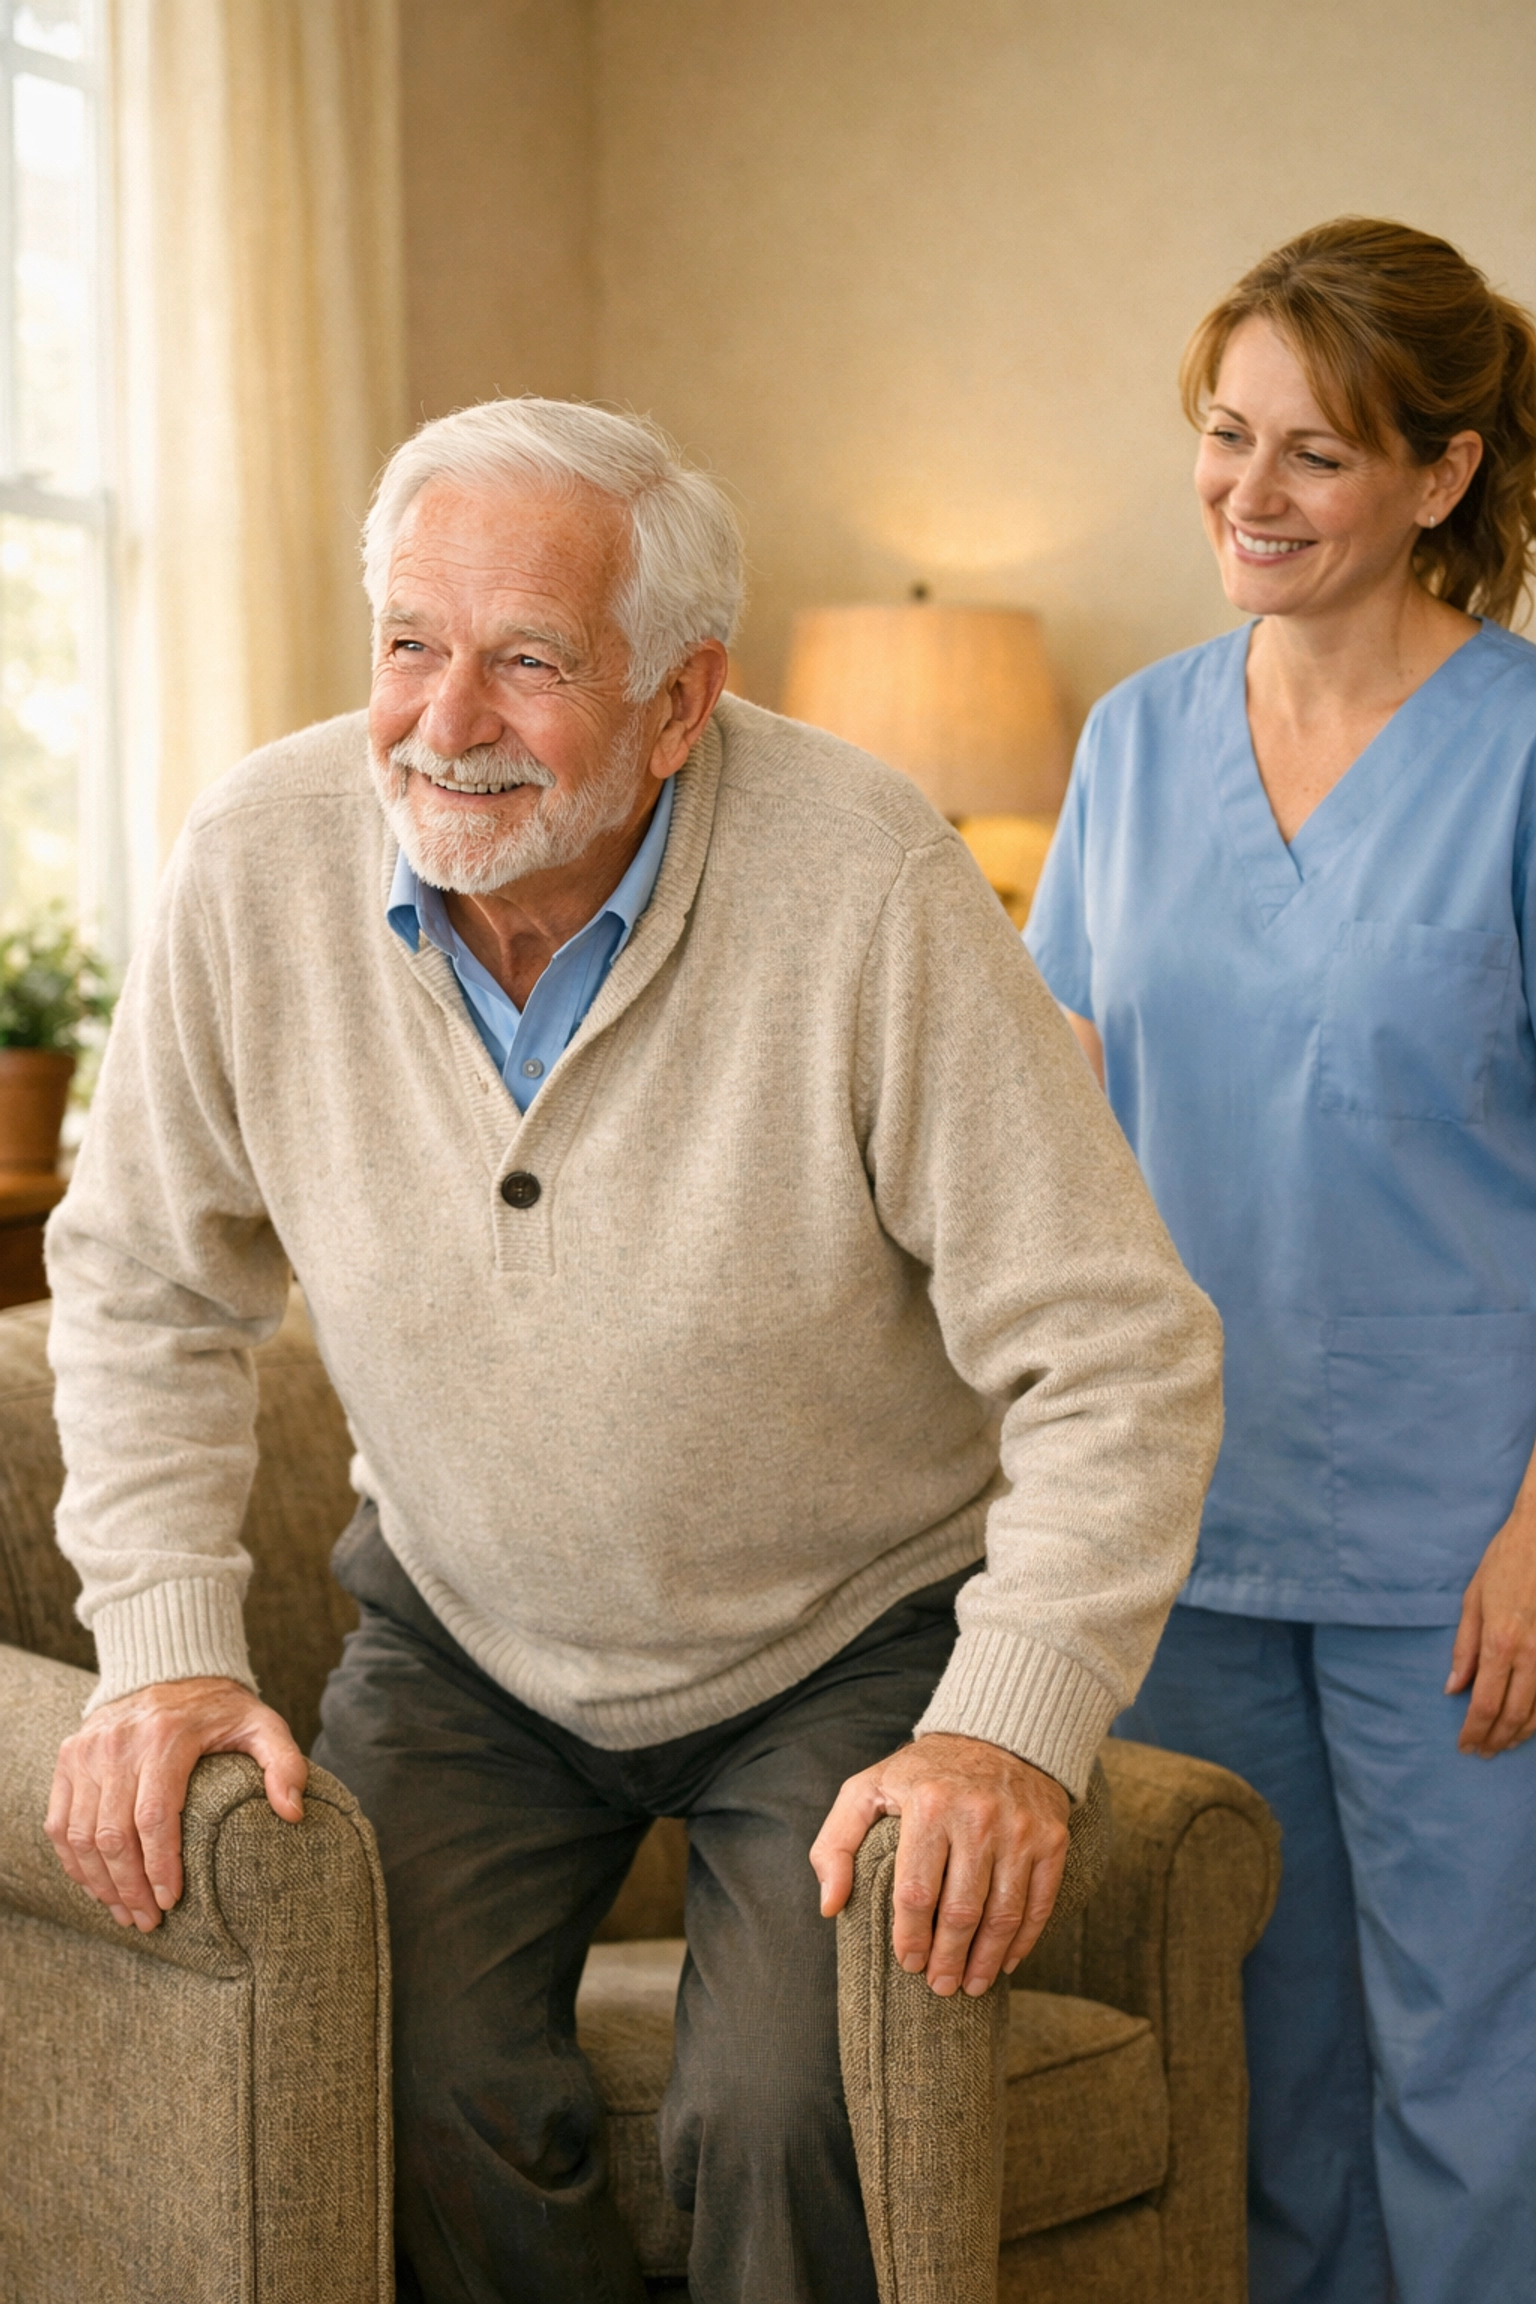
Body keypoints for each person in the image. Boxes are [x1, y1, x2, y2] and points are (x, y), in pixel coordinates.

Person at [40, 398, 1221, 2304]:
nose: (447, 718)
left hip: (845, 1634)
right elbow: (138, 1284)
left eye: (529, 661)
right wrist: (163, 1658)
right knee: (389, 2074)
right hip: (465, 1630)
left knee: (785, 2104)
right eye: (412, 644)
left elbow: (1118, 1350)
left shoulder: (868, 881)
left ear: (682, 703)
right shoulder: (259, 859)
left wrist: (1006, 1722)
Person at [1026, 217, 1536, 2304]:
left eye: (1317, 453)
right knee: (1262, 2067)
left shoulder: (1519, 751)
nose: (1250, 493)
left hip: (1461, 1552)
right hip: (1187, 1532)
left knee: (1476, 2069)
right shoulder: (1135, 747)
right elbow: (1045, 1122)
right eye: (1226, 437)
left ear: (1442, 473)